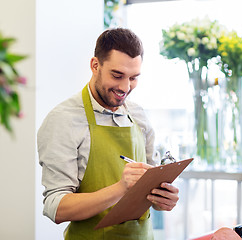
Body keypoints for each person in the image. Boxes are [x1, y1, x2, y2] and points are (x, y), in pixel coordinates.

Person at [37, 27, 180, 239]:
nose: (125, 87)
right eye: (117, 75)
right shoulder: (63, 119)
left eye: (133, 78)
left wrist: (163, 199)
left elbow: (150, 191)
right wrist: (121, 188)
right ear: (95, 65)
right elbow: (56, 208)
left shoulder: (138, 116)